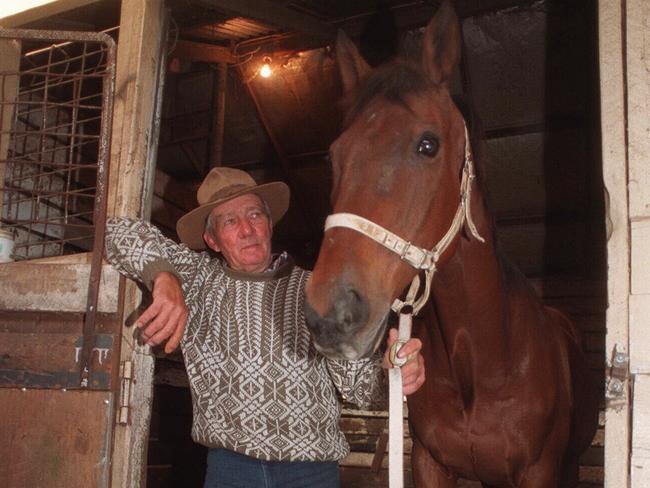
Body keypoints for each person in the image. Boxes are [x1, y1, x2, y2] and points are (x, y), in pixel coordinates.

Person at [104, 167, 425, 488]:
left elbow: (362, 389)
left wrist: (391, 374)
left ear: (270, 224)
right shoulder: (198, 279)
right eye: (230, 221)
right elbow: (115, 232)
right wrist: (163, 275)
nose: (247, 229)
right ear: (212, 240)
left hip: (310, 471)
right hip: (230, 469)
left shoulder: (318, 289)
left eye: (255, 215)